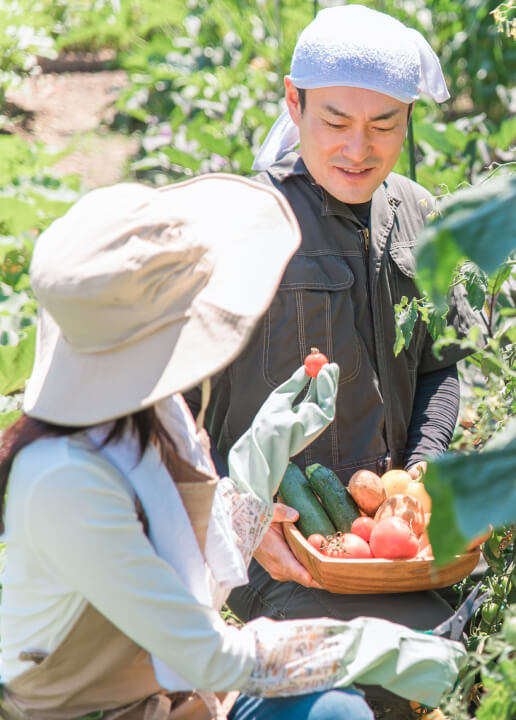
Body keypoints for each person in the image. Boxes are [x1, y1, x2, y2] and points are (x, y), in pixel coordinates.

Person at [0, 175, 466, 720]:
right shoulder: (63, 481)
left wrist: (261, 455)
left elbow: (191, 557)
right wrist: (376, 646)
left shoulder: (152, 413)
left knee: (334, 712)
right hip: (101, 709)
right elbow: (209, 656)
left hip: (175, 694)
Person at [184, 6, 482, 718]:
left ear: (409, 118)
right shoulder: (246, 227)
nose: (360, 148)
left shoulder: (419, 214)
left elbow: (445, 364)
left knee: (459, 670)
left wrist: (420, 466)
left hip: (394, 545)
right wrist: (236, 516)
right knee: (374, 691)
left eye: (384, 125)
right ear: (294, 101)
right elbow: (172, 405)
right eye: (335, 121)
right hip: (285, 550)